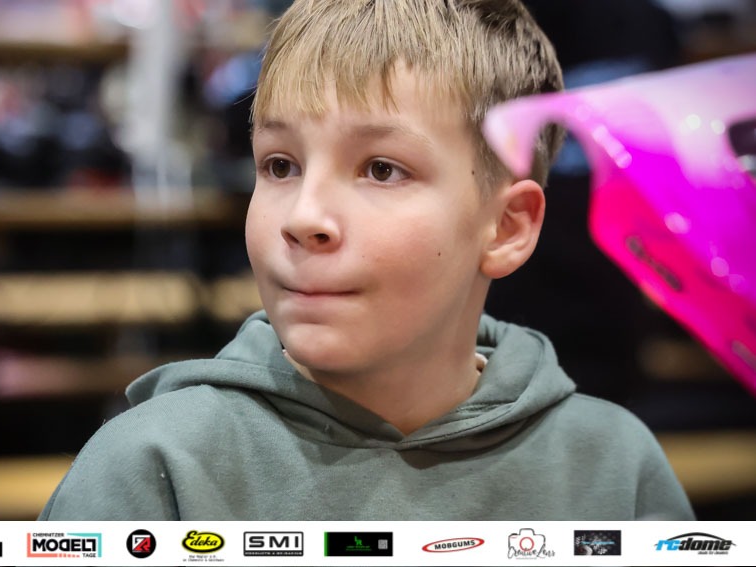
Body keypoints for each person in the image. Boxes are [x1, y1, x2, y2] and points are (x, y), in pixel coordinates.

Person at [39, 0, 694, 520]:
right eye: (280, 165)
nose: (304, 217)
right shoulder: (150, 469)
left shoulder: (616, 469)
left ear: (506, 226)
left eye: (381, 169)